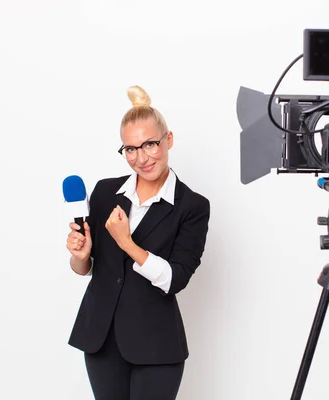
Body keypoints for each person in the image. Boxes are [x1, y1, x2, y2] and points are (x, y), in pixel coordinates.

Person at [65, 85, 210, 400]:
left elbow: (175, 279)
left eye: (150, 144)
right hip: (101, 339)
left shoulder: (192, 206)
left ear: (168, 140)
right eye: (130, 149)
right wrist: (81, 255)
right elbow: (88, 269)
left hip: (157, 345)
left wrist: (127, 243)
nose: (141, 158)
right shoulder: (105, 193)